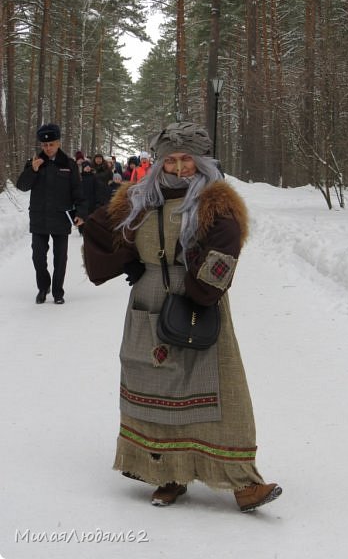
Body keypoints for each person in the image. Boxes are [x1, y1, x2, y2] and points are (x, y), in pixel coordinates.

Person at [82, 122, 282, 512]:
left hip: (197, 304)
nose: (178, 167)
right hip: (148, 301)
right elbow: (100, 230)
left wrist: (203, 284)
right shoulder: (137, 200)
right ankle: (167, 476)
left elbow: (225, 250)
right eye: (170, 160)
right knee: (155, 390)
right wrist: (126, 260)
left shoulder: (215, 201)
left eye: (185, 159)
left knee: (218, 392)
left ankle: (243, 483)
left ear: (200, 161)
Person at [16, 123, 87, 304]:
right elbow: (22, 186)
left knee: (60, 258)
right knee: (38, 256)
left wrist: (81, 213)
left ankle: (58, 292)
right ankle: (43, 287)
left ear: (58, 143)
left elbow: (78, 191)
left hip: (61, 217)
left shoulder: (69, 164)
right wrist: (33, 170)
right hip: (39, 218)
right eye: (44, 145)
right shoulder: (34, 163)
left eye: (51, 144)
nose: (48, 148)